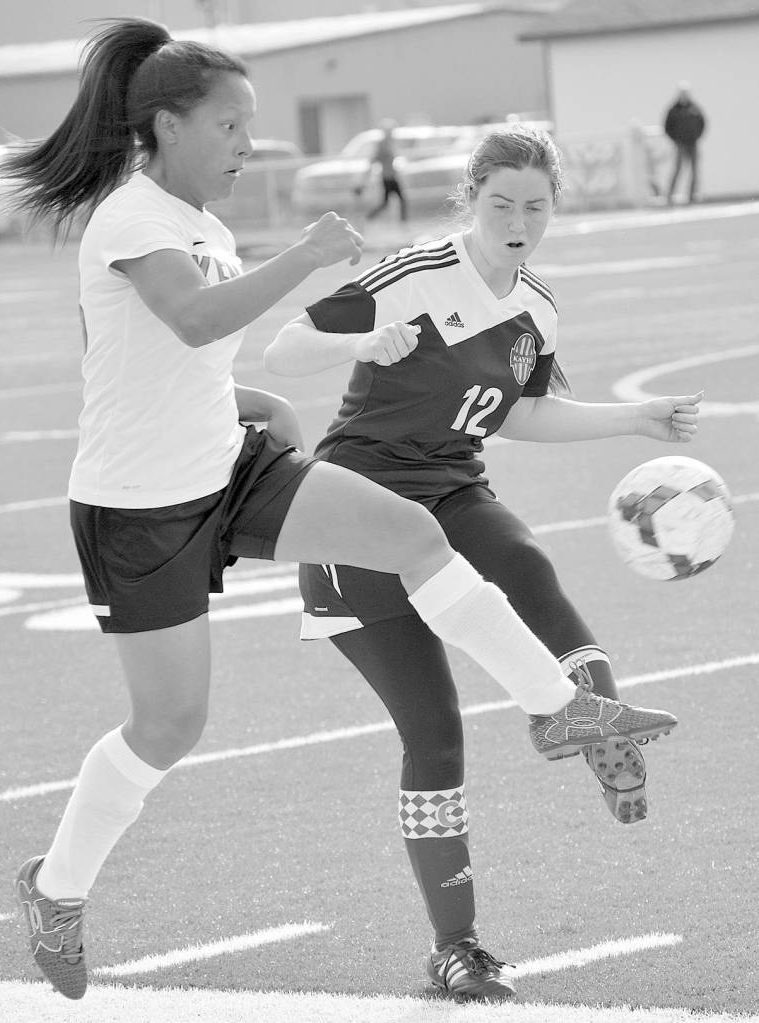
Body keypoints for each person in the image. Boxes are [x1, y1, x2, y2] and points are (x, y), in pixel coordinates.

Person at [0, 22, 677, 1003]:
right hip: (138, 506)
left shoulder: (201, 224)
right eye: (231, 125)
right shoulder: (131, 217)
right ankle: (56, 889)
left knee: (413, 533)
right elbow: (193, 319)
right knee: (169, 725)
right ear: (168, 125)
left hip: (229, 464)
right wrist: (309, 258)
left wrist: (250, 403)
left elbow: (160, 357)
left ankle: (557, 708)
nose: (248, 144)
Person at [265, 123, 700, 1002]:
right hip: (356, 509)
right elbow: (282, 350)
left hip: (453, 490)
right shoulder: (415, 275)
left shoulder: (536, 306)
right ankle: (455, 947)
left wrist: (635, 418)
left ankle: (591, 726)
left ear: (554, 208)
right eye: (501, 203)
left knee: (526, 560)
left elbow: (521, 413)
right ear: (472, 200)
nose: (518, 221)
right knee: (435, 735)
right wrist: (358, 344)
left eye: (536, 206)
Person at [355, 118, 408, 222]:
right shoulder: (382, 145)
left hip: (392, 176)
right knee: (390, 201)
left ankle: (402, 221)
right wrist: (363, 181)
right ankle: (369, 217)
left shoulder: (389, 143)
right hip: (387, 177)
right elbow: (374, 160)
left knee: (394, 201)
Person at [663, 81, 706, 204]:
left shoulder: (695, 108)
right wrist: (676, 140)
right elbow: (667, 127)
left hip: (693, 143)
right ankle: (670, 196)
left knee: (695, 170)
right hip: (680, 144)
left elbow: (702, 123)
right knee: (678, 169)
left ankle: (692, 196)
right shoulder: (673, 110)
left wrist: (696, 136)